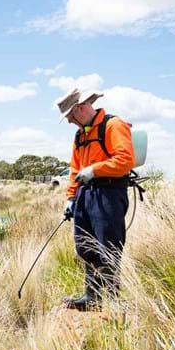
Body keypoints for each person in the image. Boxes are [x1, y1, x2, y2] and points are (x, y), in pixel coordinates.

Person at [57, 88, 135, 311]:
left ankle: (111, 299)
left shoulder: (113, 125)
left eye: (71, 117)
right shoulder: (80, 134)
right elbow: (74, 168)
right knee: (85, 246)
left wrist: (95, 170)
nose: (71, 122)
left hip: (109, 193)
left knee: (108, 245)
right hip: (85, 195)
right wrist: (71, 198)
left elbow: (125, 160)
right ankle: (92, 296)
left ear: (80, 108)